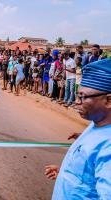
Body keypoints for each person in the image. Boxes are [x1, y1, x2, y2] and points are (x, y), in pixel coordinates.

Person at [45, 58, 111, 199]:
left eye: (83, 97)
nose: (76, 102)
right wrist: (66, 174)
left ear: (108, 100)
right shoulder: (97, 123)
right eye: (77, 95)